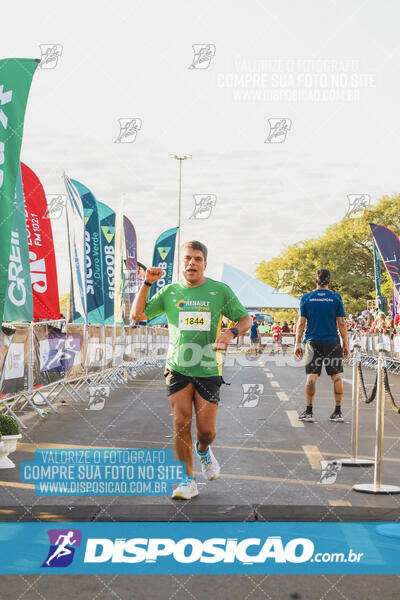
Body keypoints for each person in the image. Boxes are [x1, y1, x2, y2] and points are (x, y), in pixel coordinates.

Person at [131, 240, 252, 500]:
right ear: (181, 264)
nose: (192, 263)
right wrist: (147, 283)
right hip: (178, 366)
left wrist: (230, 333)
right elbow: (137, 315)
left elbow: (246, 319)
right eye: (187, 258)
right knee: (180, 422)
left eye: (197, 259)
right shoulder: (170, 292)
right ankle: (188, 480)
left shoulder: (219, 291)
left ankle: (203, 449)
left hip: (208, 367)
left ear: (204, 264)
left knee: (206, 431)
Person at [294, 268, 349, 422]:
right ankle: (338, 412)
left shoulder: (306, 298)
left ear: (315, 280)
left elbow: (301, 323)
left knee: (312, 375)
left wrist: (297, 343)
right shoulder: (336, 298)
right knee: (336, 376)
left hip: (312, 341)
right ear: (329, 281)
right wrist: (346, 344)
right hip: (332, 341)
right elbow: (342, 323)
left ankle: (309, 412)